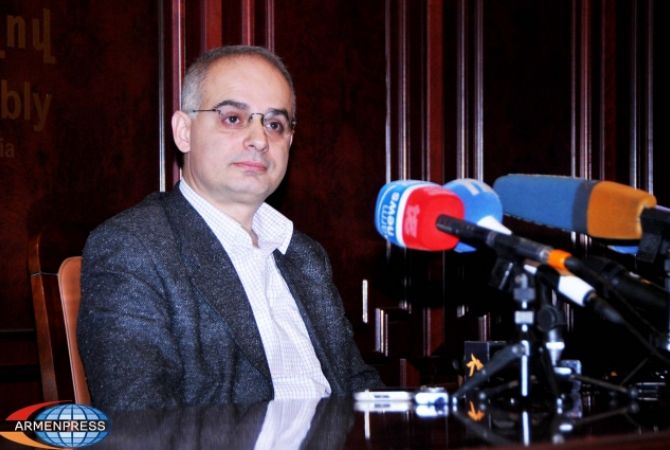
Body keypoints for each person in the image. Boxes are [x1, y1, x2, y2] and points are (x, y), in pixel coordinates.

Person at [77, 45, 382, 410]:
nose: (259, 140)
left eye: (274, 124)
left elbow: (358, 387)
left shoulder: (304, 255)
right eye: (233, 118)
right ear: (184, 131)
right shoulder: (133, 248)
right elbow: (141, 419)